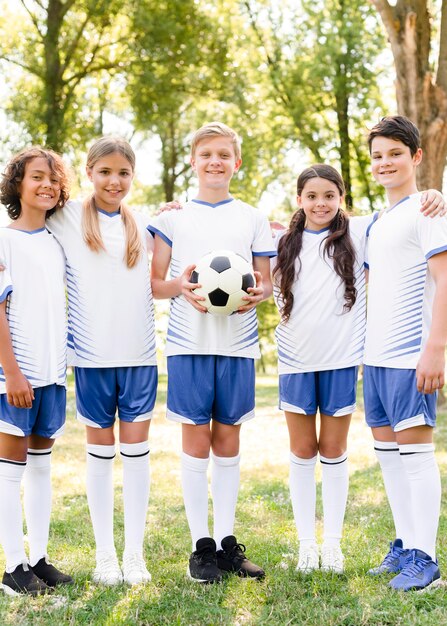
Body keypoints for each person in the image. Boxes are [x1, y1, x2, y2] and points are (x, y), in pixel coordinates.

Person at [149, 121, 275, 583]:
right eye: (207, 155)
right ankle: (199, 547)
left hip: (238, 346)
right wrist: (179, 287)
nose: (215, 162)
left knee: (228, 441)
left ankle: (226, 544)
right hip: (188, 344)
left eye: (224, 154)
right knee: (196, 440)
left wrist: (257, 293)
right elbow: (156, 283)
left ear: (236, 162)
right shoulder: (172, 219)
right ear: (193, 161)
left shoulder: (252, 218)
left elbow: (265, 280)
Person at [46, 137, 157, 586]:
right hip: (91, 359)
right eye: (105, 172)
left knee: (135, 459)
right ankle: (105, 556)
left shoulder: (145, 224)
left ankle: (134, 556)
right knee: (99, 457)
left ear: (133, 177)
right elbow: (21, 216)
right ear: (89, 172)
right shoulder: (66, 217)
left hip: (140, 358)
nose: (115, 181)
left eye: (124, 173)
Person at [272, 164, 374, 574]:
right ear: (300, 199)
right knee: (302, 452)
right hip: (295, 362)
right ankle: (305, 547)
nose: (320, 204)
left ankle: (331, 544)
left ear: (341, 198)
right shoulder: (279, 242)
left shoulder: (360, 234)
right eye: (312, 196)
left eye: (329, 196)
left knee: (333, 452)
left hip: (341, 359)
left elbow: (407, 210)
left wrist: (433, 196)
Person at [363, 115, 447, 591]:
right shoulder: (378, 222)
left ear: (415, 157)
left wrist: (435, 349)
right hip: (375, 361)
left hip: (409, 356)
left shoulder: (428, 211)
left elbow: (444, 279)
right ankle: (405, 544)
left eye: (395, 153)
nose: (385, 162)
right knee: (389, 457)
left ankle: (427, 558)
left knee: (415, 456)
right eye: (377, 156)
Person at [0, 147, 73, 595]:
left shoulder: (56, 241)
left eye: (53, 179)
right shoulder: (4, 239)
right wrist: (12, 373)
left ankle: (39, 558)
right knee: (11, 469)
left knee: (42, 468)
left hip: (52, 374)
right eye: (36, 177)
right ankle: (13, 567)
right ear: (18, 185)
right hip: (16, 376)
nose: (46, 185)